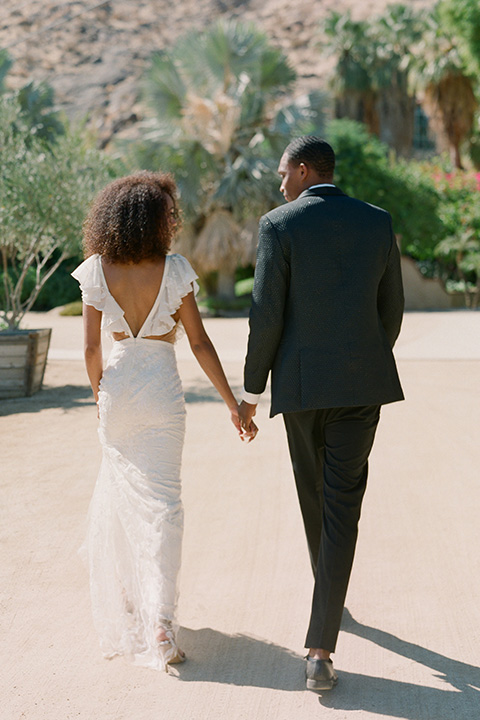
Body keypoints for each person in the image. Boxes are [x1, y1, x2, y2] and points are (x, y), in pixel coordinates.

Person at [72, 171, 257, 672]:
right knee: (164, 504)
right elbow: (199, 343)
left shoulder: (94, 269)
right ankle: (162, 621)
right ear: (160, 220)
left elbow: (90, 347)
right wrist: (232, 404)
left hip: (117, 387)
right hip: (159, 389)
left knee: (121, 494)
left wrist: (99, 394)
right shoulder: (174, 269)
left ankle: (133, 604)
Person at [238, 136, 404, 691]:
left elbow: (266, 315)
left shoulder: (278, 225)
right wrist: (366, 357)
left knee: (318, 497)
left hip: (303, 389)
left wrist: (251, 391)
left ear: (305, 171)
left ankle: (319, 647)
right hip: (362, 386)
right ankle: (329, 594)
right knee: (339, 504)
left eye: (284, 174)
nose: (280, 184)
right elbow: (392, 309)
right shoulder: (377, 222)